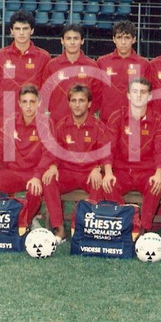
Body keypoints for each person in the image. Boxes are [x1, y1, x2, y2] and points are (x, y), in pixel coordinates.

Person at [41, 84, 114, 243]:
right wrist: (53, 166)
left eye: (81, 100)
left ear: (89, 104)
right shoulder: (62, 125)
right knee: (48, 179)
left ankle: (86, 228)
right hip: (67, 172)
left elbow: (106, 154)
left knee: (99, 184)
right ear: (69, 103)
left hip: (89, 173)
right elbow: (53, 151)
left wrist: (98, 168)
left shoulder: (98, 126)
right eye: (73, 100)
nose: (77, 104)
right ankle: (59, 228)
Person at [0, 85, 55, 236]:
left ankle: (26, 220)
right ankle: (1, 218)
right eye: (25, 102)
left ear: (39, 103)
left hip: (33, 174)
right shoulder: (10, 122)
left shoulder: (46, 123)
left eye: (32, 102)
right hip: (13, 173)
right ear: (19, 103)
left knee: (35, 189)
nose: (28, 106)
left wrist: (37, 176)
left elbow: (49, 154)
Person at [104, 78, 161, 231]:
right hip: (122, 170)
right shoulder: (117, 117)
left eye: (143, 92)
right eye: (135, 92)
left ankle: (144, 229)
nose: (139, 96)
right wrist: (108, 172)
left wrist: (158, 174)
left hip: (146, 171)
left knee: (155, 185)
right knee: (108, 184)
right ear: (128, 95)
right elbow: (108, 148)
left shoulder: (158, 120)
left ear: (149, 96)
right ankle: (130, 225)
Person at [0, 10, 51, 120]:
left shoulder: (44, 57)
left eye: (25, 29)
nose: (21, 33)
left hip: (33, 116)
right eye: (17, 29)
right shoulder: (0, 56)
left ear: (32, 30)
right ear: (11, 31)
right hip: (7, 116)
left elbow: (45, 89)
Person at [42, 24, 100, 124]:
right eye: (68, 38)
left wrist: (86, 115)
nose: (72, 42)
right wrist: (55, 113)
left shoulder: (92, 66)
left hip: (83, 123)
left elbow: (98, 95)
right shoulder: (52, 65)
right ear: (62, 41)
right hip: (58, 122)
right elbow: (45, 94)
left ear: (82, 41)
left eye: (76, 38)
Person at [96, 20, 151, 122]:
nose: (123, 42)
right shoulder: (102, 62)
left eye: (127, 38)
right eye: (119, 37)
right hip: (107, 120)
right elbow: (96, 92)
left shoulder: (144, 64)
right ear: (113, 39)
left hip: (133, 121)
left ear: (134, 40)